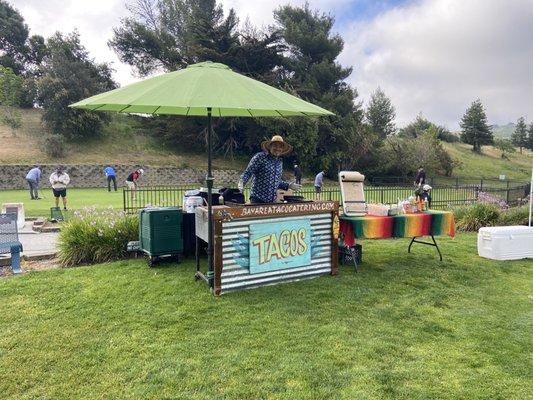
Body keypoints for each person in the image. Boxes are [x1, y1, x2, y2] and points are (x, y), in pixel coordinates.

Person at [238, 135, 301, 203]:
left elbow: (276, 181)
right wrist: (242, 182)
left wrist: (288, 185)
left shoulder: (279, 162)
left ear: (282, 149)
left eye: (280, 147)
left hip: (272, 201)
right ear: (270, 147)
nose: (277, 148)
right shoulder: (260, 157)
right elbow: (248, 172)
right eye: (275, 146)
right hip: (257, 199)